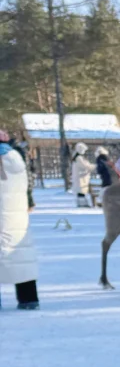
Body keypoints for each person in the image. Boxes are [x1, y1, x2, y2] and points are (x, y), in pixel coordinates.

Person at [0, 130, 40, 309]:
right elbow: (27, 185)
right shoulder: (16, 158)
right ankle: (28, 298)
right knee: (21, 256)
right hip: (16, 216)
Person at [70, 142, 94, 207]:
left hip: (81, 177)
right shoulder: (79, 158)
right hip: (80, 177)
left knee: (81, 191)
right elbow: (84, 165)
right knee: (81, 191)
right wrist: (93, 166)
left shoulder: (78, 157)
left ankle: (82, 203)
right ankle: (82, 203)